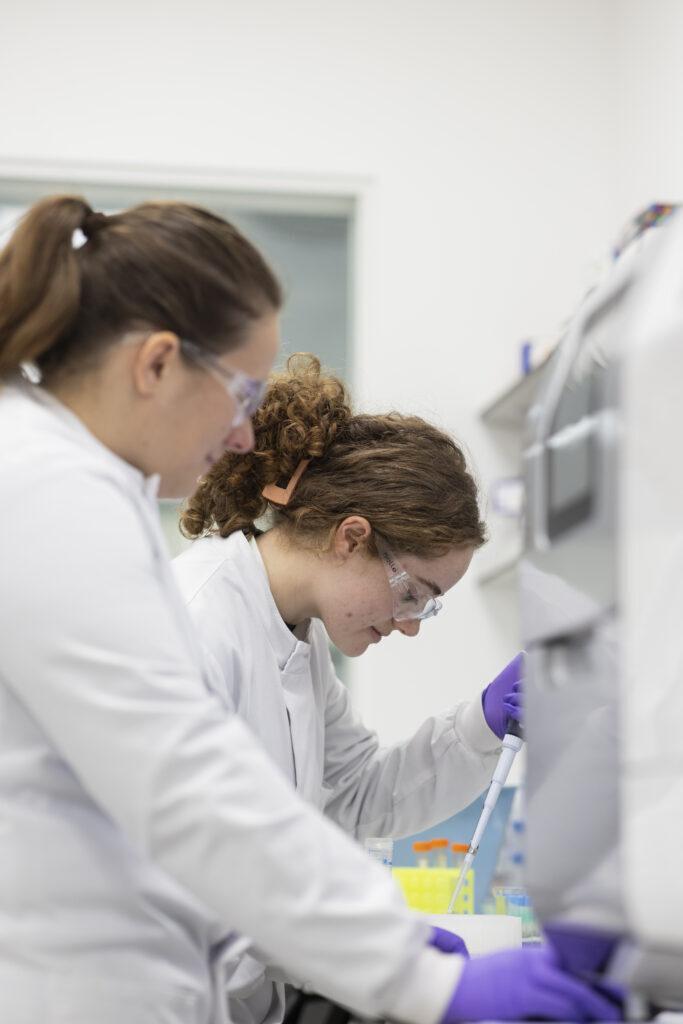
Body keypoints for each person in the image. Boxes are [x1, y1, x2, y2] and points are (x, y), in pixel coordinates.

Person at [0, 195, 621, 1024]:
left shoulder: (261, 617)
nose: (245, 437)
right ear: (155, 364)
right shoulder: (66, 503)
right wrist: (413, 976)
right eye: (239, 392)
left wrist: (476, 721)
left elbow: (343, 796)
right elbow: (191, 798)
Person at [173, 353, 524, 1024]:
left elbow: (359, 794)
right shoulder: (197, 623)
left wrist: (483, 720)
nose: (409, 625)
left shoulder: (295, 635)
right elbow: (201, 874)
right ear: (351, 537)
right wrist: (385, 957)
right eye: (413, 595)